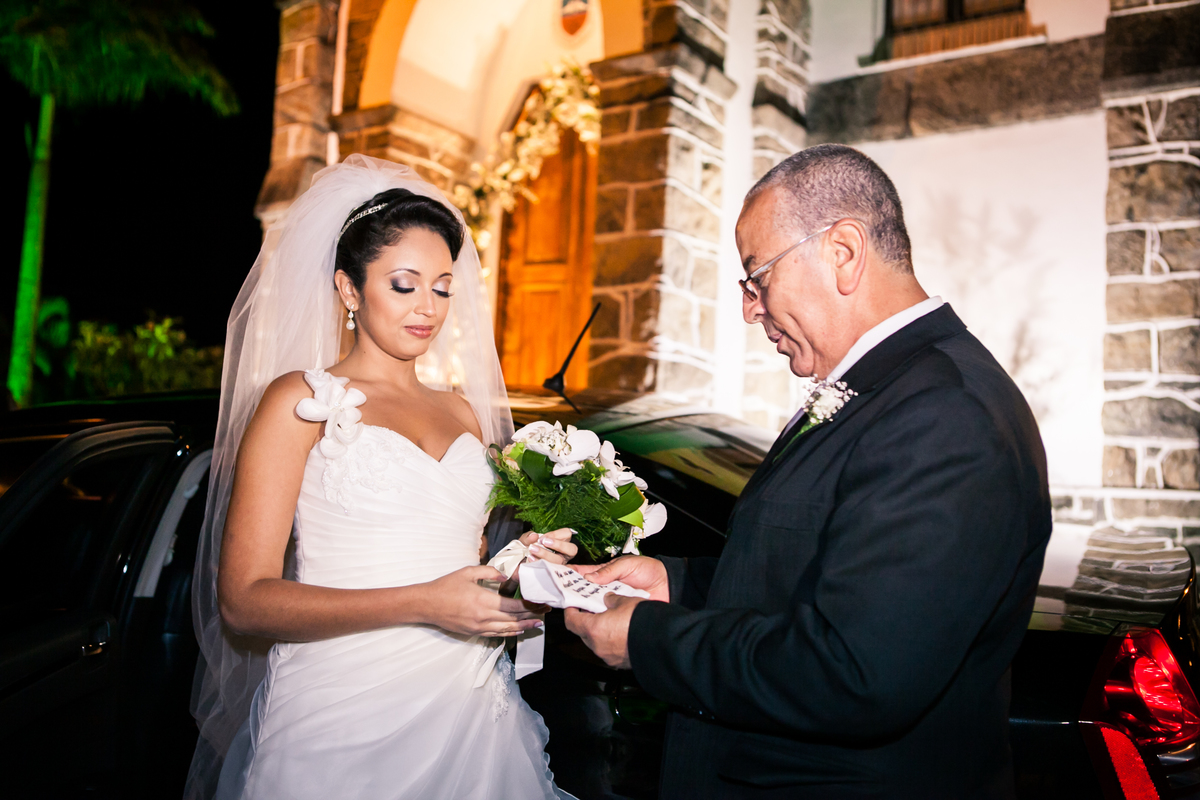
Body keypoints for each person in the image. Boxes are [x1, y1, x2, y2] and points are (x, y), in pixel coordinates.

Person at [566, 144, 1052, 799]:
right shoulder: (890, 387)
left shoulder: (945, 414)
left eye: (756, 276)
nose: (749, 307)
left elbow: (853, 672)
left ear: (843, 253)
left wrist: (650, 640)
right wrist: (676, 584)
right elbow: (818, 569)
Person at [184, 155, 576, 800]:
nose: (429, 307)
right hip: (340, 716)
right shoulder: (299, 401)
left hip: (468, 705)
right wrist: (424, 602)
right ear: (348, 289)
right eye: (404, 284)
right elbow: (245, 600)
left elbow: (458, 560)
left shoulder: (464, 413)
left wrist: (524, 565)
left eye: (443, 287)